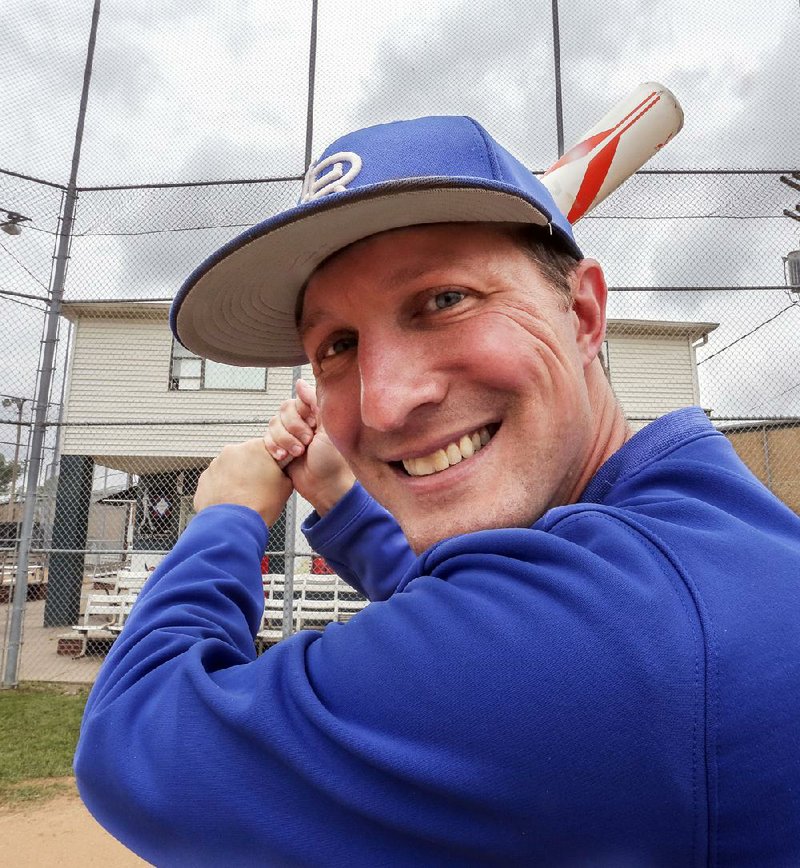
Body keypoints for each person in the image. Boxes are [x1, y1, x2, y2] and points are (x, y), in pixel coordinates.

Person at [75, 116, 800, 866]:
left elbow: (136, 742)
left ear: (583, 316)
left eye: (444, 299)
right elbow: (489, 611)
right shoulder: (689, 542)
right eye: (338, 345)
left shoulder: (606, 635)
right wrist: (341, 500)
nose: (387, 402)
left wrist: (227, 515)